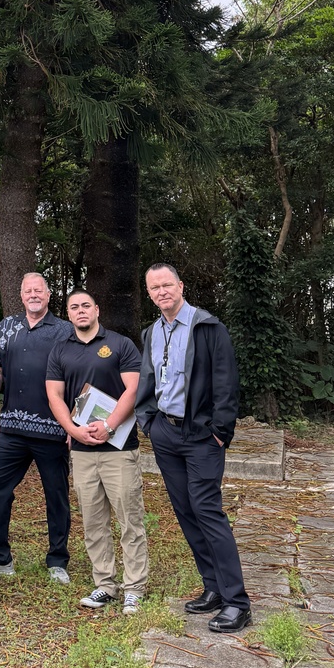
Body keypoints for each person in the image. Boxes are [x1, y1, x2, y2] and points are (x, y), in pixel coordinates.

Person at [134, 263, 250, 633]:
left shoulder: (208, 328)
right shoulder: (151, 332)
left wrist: (219, 432)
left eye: (167, 284)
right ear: (150, 293)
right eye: (154, 287)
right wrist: (148, 422)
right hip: (165, 435)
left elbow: (226, 383)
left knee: (207, 510)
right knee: (185, 510)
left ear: (180, 286)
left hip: (201, 436)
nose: (161, 291)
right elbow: (148, 379)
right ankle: (213, 589)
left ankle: (237, 602)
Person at [45, 289, 149, 614]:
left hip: (118, 447)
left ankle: (134, 588)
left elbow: (133, 390)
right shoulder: (60, 350)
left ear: (97, 309)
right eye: (74, 307)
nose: (80, 311)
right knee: (93, 521)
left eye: (85, 305)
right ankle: (105, 584)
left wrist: (109, 426)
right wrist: (73, 430)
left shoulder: (120, 345)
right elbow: (54, 396)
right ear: (69, 313)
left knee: (129, 518)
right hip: (82, 449)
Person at [0, 273, 74, 583]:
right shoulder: (7, 326)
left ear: (49, 295)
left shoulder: (64, 330)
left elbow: (76, 375)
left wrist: (73, 424)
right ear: (21, 296)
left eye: (39, 290)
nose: (33, 295)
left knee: (57, 495)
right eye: (27, 291)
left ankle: (57, 561)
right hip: (11, 428)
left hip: (54, 429)